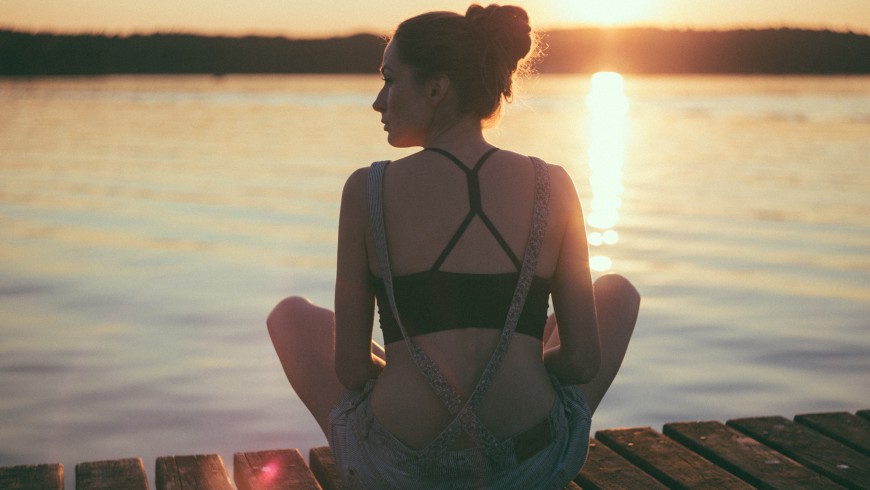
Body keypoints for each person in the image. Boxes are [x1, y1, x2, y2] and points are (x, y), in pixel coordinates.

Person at [267, 4, 640, 488]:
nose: (378, 102)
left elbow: (353, 368)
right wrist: (523, 362)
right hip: (530, 464)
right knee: (617, 292)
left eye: (389, 80)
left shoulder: (367, 190)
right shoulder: (555, 184)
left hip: (399, 469)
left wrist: (404, 366)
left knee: (291, 315)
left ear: (437, 88)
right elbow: (581, 362)